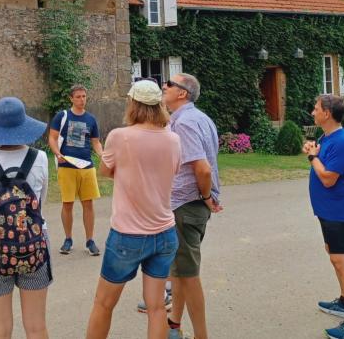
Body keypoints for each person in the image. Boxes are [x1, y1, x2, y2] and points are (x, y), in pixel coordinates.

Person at [86, 80, 181, 339]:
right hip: (164, 232)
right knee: (156, 307)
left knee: (104, 303)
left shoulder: (120, 136)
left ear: (133, 104)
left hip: (128, 234)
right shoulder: (173, 139)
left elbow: (105, 171)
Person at [0, 97, 51, 339]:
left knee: (0, 330)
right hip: (35, 247)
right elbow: (40, 203)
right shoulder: (41, 158)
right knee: (37, 327)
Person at [304, 95, 344, 339]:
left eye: (316, 108)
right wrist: (314, 151)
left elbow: (328, 178)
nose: (313, 112)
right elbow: (323, 161)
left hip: (337, 212)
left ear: (327, 113)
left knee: (342, 261)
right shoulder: (327, 137)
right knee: (333, 255)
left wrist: (312, 157)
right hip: (327, 211)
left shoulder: (342, 142)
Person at [162, 73, 222, 339]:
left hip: (186, 205)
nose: (164, 87)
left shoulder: (184, 122)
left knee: (188, 274)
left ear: (182, 93)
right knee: (180, 269)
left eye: (169, 84)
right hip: (189, 204)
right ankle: (174, 323)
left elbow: (203, 167)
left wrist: (207, 196)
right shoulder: (199, 118)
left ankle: (201, 335)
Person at [47, 84, 103, 256]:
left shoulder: (91, 119)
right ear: (71, 98)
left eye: (84, 96)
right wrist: (57, 153)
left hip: (86, 166)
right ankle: (68, 239)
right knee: (68, 204)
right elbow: (52, 137)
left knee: (88, 203)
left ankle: (90, 240)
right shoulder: (62, 116)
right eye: (78, 97)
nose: (81, 99)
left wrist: (102, 155)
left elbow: (95, 142)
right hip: (67, 166)